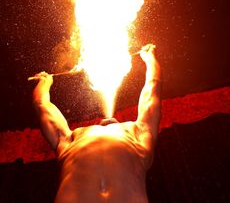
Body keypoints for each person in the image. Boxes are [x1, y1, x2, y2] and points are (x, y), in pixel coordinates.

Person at [32, 44, 161, 203]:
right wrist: (44, 82)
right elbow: (41, 105)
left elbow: (153, 87)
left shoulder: (137, 132)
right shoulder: (71, 138)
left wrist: (150, 59)